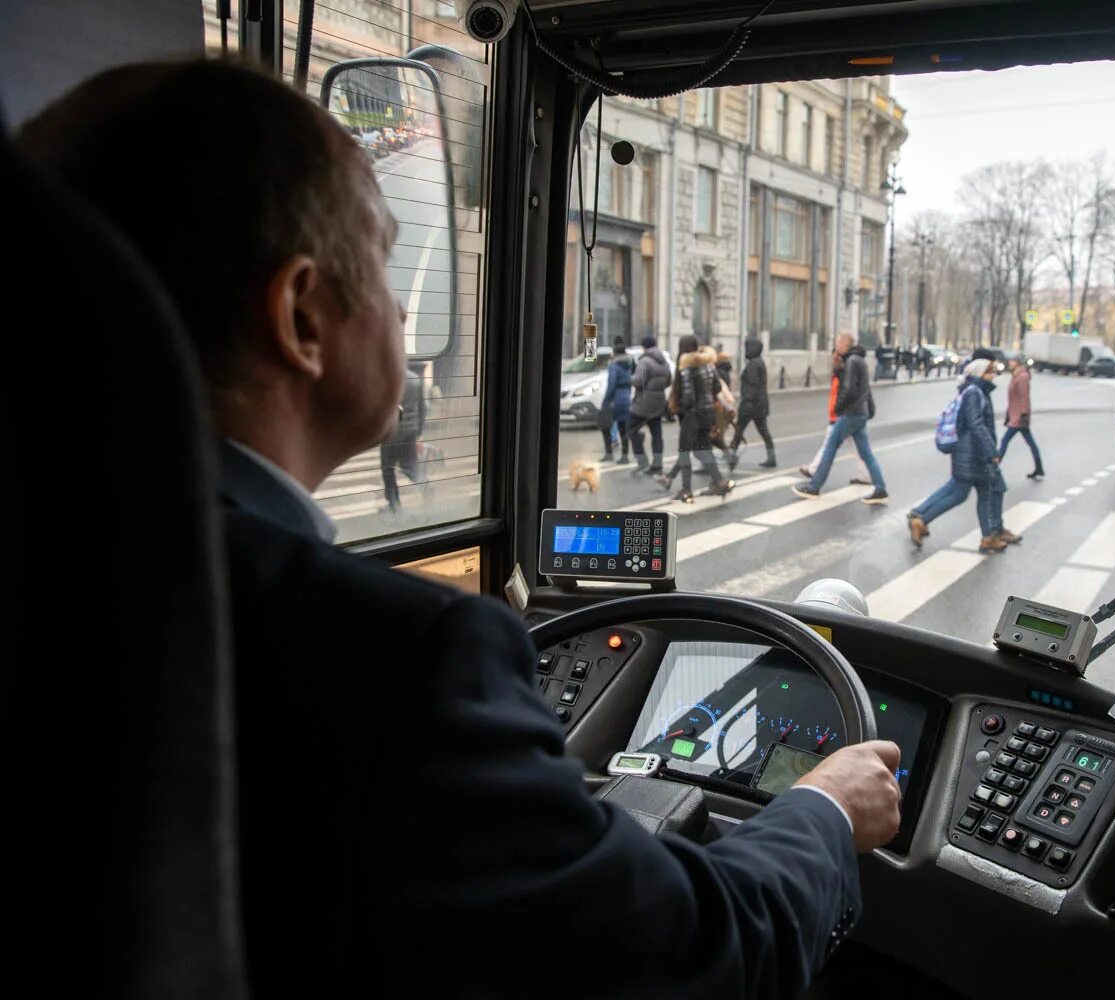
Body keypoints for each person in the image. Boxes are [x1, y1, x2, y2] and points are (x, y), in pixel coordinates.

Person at [23, 60, 902, 997]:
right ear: (301, 315)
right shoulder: (398, 661)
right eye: (387, 260)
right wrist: (819, 807)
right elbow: (701, 956)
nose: (406, 309)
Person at [907, 359, 1022, 553]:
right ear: (979, 374)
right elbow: (976, 425)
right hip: (973, 454)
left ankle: (987, 537)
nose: (992, 375)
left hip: (972, 452)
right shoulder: (974, 393)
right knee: (965, 493)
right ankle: (921, 518)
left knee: (974, 491)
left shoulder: (975, 391)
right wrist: (991, 451)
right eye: (988, 372)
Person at [794, 334, 890, 504]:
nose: (836, 345)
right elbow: (862, 388)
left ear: (845, 344)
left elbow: (848, 388)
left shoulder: (852, 361)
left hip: (851, 413)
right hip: (860, 413)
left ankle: (814, 486)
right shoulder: (858, 359)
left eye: (838, 342)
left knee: (831, 447)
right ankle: (880, 488)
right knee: (866, 453)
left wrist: (838, 407)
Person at [661, 335, 734, 502]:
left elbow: (688, 397)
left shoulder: (686, 367)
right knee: (704, 449)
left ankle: (686, 490)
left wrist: (680, 408)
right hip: (708, 413)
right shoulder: (709, 364)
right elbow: (716, 387)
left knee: (684, 451)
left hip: (692, 415)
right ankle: (719, 481)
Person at [799, 337, 872, 486]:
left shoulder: (847, 369)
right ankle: (869, 477)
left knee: (829, 446)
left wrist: (837, 410)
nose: (833, 357)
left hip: (845, 414)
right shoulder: (842, 370)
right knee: (859, 449)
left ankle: (815, 478)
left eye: (835, 353)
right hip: (848, 414)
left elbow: (847, 393)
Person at [378, 362, 427, 513]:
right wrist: (418, 431)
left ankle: (394, 504)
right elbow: (423, 407)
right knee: (408, 465)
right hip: (410, 430)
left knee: (388, 468)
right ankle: (426, 488)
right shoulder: (415, 379)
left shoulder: (390, 378)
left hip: (392, 431)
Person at [627, 334, 672, 475]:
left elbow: (638, 381)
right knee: (656, 433)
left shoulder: (645, 361)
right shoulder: (664, 361)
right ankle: (657, 465)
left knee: (631, 428)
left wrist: (630, 378)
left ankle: (642, 460)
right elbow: (668, 381)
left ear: (644, 347)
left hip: (643, 402)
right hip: (658, 401)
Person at [997, 355, 1045, 481]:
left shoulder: (1022, 377)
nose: (1009, 363)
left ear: (1017, 363)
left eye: (1012, 361)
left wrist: (1023, 414)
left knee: (1005, 441)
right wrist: (1009, 413)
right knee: (1030, 443)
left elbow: (1024, 397)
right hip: (1015, 414)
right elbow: (1013, 399)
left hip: (1019, 416)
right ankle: (1039, 468)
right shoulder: (1016, 375)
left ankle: (994, 468)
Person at [730, 337, 776, 468]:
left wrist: (747, 402)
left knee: (738, 432)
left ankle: (731, 459)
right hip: (760, 404)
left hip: (751, 405)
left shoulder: (753, 365)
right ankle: (771, 457)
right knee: (764, 432)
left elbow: (751, 385)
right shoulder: (759, 362)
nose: (745, 350)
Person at [601, 336, 635, 463]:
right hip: (626, 397)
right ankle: (625, 456)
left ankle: (609, 454)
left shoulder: (614, 365)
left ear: (614, 352)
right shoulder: (629, 363)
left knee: (605, 426)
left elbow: (611, 385)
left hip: (616, 399)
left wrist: (605, 401)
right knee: (623, 428)